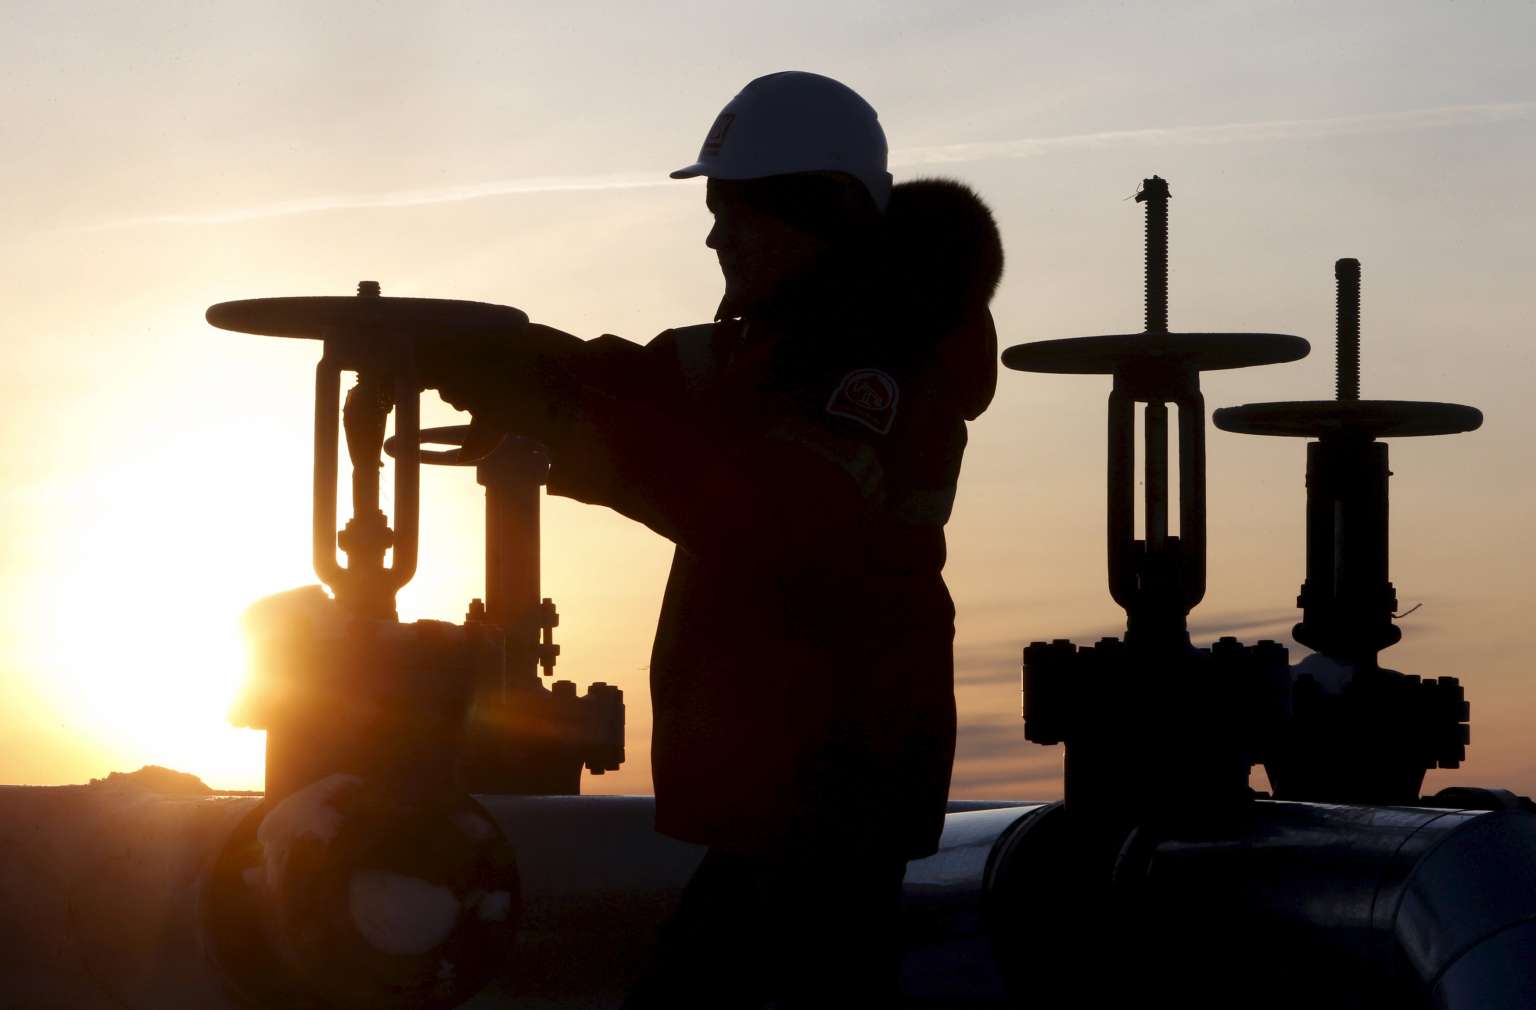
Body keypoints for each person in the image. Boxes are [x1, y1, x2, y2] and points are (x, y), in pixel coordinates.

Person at [422, 70, 1003, 1008]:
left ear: (811, 214)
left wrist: (574, 438)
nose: (714, 234)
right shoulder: (788, 341)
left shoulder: (875, 371)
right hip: (791, 791)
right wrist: (525, 365)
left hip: (831, 789)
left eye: (735, 210)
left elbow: (763, 516)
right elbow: (655, 389)